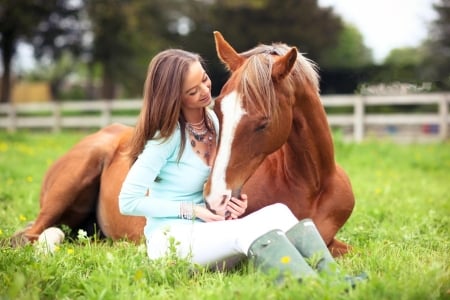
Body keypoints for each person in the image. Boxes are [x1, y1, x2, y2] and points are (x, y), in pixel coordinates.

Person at [118, 49, 364, 285]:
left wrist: (234, 207)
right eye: (193, 91)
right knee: (244, 232)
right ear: (175, 97)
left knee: (278, 212)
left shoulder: (216, 121)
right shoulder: (166, 138)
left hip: (211, 238)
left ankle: (334, 278)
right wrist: (193, 211)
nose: (205, 91)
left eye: (205, 79)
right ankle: (308, 287)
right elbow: (128, 202)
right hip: (171, 242)